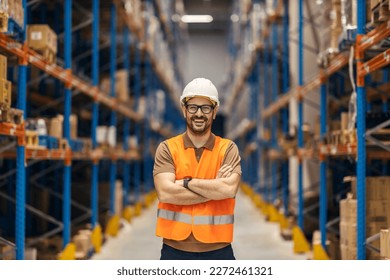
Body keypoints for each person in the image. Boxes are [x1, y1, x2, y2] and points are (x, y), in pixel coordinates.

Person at [153, 77, 242, 260]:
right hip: (174, 251)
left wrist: (186, 182)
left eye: (206, 108)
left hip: (219, 251)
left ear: (214, 112)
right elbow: (166, 192)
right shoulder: (168, 148)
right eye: (193, 107)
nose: (199, 114)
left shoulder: (228, 148)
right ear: (185, 110)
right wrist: (215, 187)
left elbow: (229, 189)